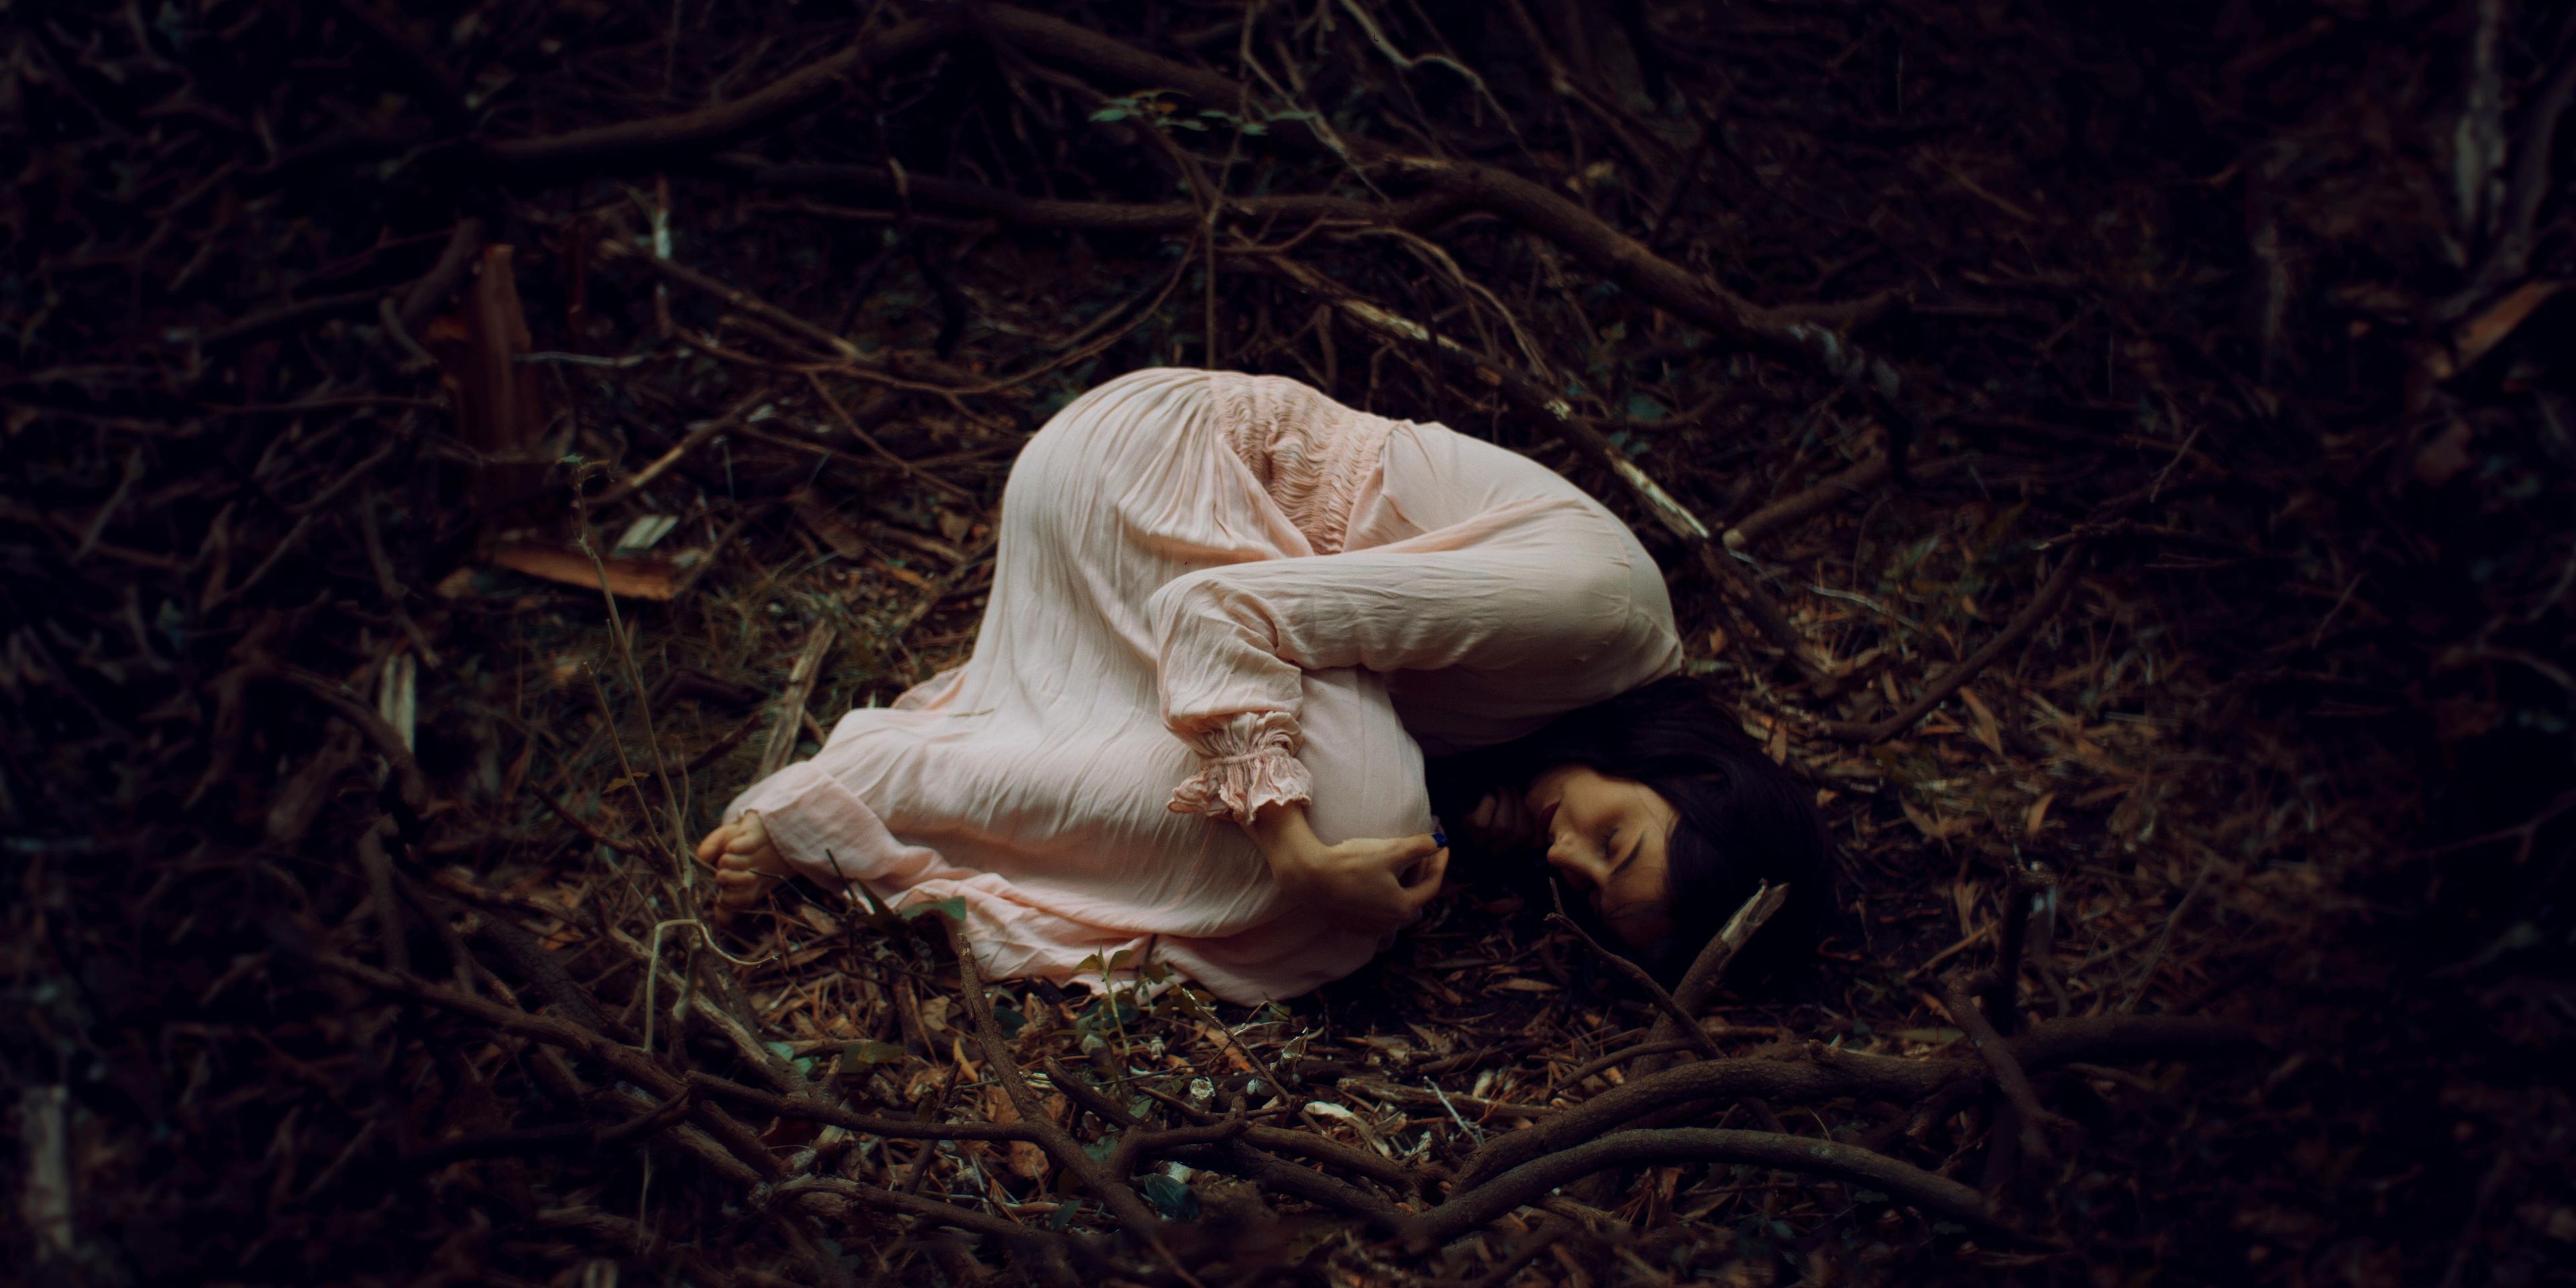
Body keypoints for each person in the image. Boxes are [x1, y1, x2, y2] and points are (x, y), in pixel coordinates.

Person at [696, 368, 1825, 1003]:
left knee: (1337, 825)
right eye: (1614, 840)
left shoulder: (1567, 718)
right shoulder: (1598, 616)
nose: (1565, 855)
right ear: (1692, 775)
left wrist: (1466, 814)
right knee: (1342, 835)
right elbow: (1219, 614)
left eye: (1584, 887)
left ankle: (925, 775)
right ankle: (877, 787)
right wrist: (1296, 854)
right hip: (1162, 471)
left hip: (1174, 510)